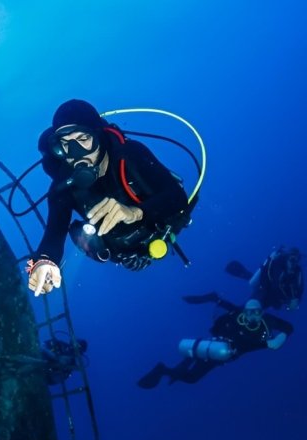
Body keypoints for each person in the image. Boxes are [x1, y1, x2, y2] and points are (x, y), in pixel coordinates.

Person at [27, 99, 195, 296]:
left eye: (83, 139)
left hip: (155, 230)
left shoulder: (130, 155)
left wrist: (136, 212)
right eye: (66, 144)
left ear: (98, 135)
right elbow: (54, 232)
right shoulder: (63, 185)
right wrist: (44, 261)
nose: (76, 154)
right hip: (117, 250)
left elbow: (176, 197)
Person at [137, 298, 292, 387]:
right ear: (245, 312)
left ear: (262, 312)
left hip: (219, 352)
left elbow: (288, 327)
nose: (254, 315)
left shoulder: (267, 321)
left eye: (257, 312)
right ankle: (163, 369)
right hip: (218, 351)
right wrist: (266, 344)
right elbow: (243, 345)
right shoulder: (236, 321)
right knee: (192, 378)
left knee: (189, 373)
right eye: (250, 312)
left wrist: (281, 337)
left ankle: (174, 368)